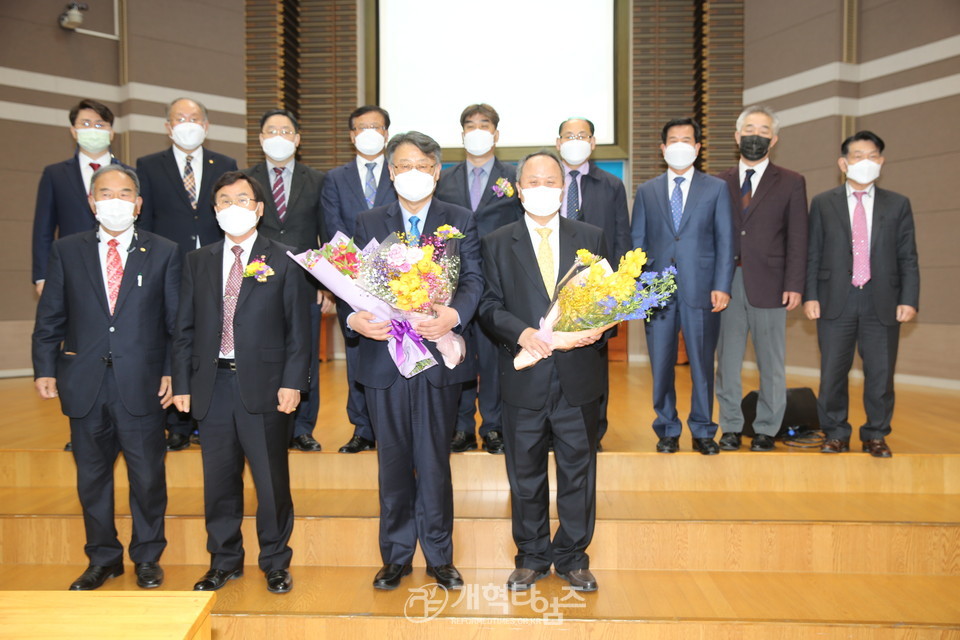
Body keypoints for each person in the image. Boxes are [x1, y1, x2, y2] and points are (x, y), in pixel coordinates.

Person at [343, 131, 481, 591]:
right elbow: (352, 286)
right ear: (390, 171)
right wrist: (356, 319)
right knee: (394, 463)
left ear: (437, 171)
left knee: (435, 461)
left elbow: (474, 280)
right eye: (402, 166)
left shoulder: (459, 219)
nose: (412, 174)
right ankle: (397, 555)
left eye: (422, 165)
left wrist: (452, 316)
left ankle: (440, 555)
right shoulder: (368, 220)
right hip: (385, 360)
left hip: (437, 359)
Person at [32, 165, 180, 591]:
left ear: (138, 203)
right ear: (92, 202)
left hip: (144, 382)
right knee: (91, 478)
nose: (115, 200)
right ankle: (103, 557)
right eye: (106, 193)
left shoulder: (165, 251)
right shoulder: (67, 250)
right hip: (84, 382)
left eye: (125, 193)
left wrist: (172, 370)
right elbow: (51, 316)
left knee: (147, 476)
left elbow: (176, 322)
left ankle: (147, 556)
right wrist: (44, 366)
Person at [172, 171, 311, 594]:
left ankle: (274, 561)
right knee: (219, 481)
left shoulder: (284, 258)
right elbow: (184, 328)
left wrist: (293, 382)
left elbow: (298, 332)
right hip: (211, 386)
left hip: (266, 387)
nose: (234, 207)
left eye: (243, 199)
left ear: (259, 208)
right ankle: (224, 560)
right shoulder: (198, 260)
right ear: (215, 212)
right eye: (225, 201)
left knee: (270, 481)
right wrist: (181, 383)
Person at [479, 151, 607, 593]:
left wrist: (595, 329)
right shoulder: (497, 241)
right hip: (523, 376)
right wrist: (522, 333)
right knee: (526, 474)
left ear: (563, 187)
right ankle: (531, 555)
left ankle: (572, 556)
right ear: (519, 189)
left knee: (578, 471)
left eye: (551, 181)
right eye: (532, 181)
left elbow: (608, 300)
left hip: (578, 377)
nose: (542, 188)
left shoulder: (591, 237)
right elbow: (488, 305)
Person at [803, 131, 919, 458]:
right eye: (857, 156)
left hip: (882, 301)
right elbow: (813, 253)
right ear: (843, 163)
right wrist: (810, 295)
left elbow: (908, 255)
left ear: (881, 162)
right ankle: (836, 433)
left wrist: (909, 298)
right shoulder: (823, 203)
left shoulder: (898, 204)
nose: (864, 162)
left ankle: (876, 435)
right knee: (833, 375)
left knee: (881, 376)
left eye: (871, 156)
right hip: (834, 299)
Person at [137, 97, 239, 451]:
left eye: (194, 118)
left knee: (211, 333)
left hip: (214, 267)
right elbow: (145, 222)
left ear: (206, 125)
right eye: (179, 118)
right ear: (167, 126)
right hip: (168, 266)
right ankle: (177, 423)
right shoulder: (148, 166)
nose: (187, 123)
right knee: (174, 335)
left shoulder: (224, 163)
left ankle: (205, 413)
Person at [630, 117, 735, 455]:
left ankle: (704, 430)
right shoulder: (647, 191)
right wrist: (638, 288)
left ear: (698, 147)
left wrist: (723, 285)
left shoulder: (716, 188)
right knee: (661, 364)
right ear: (662, 149)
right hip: (657, 292)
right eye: (672, 140)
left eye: (686, 139)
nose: (679, 145)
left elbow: (725, 240)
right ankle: (667, 428)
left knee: (703, 364)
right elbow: (638, 242)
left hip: (702, 289)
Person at [714, 106, 808, 452]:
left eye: (763, 130)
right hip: (726, 285)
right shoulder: (717, 181)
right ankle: (731, 427)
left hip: (772, 284)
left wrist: (795, 284)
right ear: (737, 136)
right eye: (749, 128)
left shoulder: (792, 182)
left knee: (772, 362)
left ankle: (768, 427)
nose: (756, 135)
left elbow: (799, 237)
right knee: (727, 362)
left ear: (774, 139)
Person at [435, 103, 522, 455]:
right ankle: (461, 427)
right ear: (462, 135)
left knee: (492, 358)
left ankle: (494, 426)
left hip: (497, 281)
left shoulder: (513, 176)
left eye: (483, 125)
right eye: (470, 125)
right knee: (457, 354)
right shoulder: (445, 178)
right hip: (454, 283)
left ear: (496, 134)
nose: (477, 131)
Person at [243, 108, 328, 452]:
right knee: (261, 353)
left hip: (306, 283)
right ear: (262, 139)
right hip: (257, 281)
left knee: (304, 353)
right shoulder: (244, 180)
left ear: (297, 138)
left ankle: (303, 426)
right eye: (271, 131)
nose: (278, 136)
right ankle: (263, 417)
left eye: (286, 130)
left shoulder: (319, 180)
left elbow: (328, 233)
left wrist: (326, 283)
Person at [321, 105, 398, 454]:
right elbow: (332, 227)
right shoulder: (335, 179)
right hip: (351, 280)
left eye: (376, 126)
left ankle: (394, 425)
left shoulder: (400, 173)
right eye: (361, 127)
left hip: (398, 276)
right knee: (358, 354)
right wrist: (355, 274)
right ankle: (362, 427)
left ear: (386, 133)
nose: (369, 132)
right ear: (352, 135)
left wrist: (387, 269)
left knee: (398, 348)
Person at [555, 117, 631, 445]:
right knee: (551, 354)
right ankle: (552, 428)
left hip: (598, 289)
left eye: (582, 135)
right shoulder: (548, 181)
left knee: (595, 360)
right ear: (558, 143)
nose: (575, 141)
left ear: (593, 142)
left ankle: (593, 429)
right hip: (551, 281)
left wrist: (620, 289)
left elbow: (622, 239)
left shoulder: (611, 185)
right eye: (569, 136)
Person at [33, 99, 130, 296]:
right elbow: (43, 229)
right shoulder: (55, 174)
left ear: (111, 132)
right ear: (73, 130)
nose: (92, 129)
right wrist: (42, 276)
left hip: (120, 265)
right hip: (70, 266)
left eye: (99, 124)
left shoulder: (130, 174)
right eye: (85, 124)